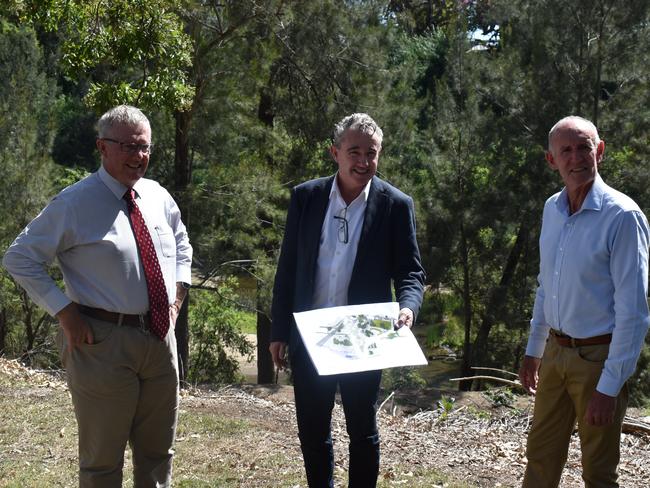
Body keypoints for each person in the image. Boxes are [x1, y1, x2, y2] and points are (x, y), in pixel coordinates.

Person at [3, 105, 192, 487]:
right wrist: (64, 311)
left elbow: (181, 243)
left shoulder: (156, 196)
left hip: (160, 339)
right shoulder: (74, 203)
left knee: (158, 455)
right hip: (102, 342)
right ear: (101, 148)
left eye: (144, 147)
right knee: (102, 461)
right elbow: (19, 257)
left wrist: (178, 295)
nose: (138, 157)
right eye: (127, 146)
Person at [270, 113, 425, 487]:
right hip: (311, 334)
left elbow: (411, 272)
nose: (363, 161)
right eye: (354, 151)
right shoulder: (306, 197)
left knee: (362, 428)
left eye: (371, 153)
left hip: (364, 339)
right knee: (312, 429)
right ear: (335, 153)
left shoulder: (395, 205)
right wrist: (278, 329)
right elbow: (288, 267)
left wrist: (407, 306)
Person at [519, 116, 649, 487]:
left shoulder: (622, 217)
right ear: (551, 160)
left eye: (584, 148)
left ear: (600, 151)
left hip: (598, 358)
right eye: (566, 150)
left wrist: (609, 387)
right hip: (556, 354)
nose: (576, 158)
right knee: (540, 457)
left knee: (598, 471)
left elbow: (634, 313)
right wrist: (534, 349)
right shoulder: (553, 210)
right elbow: (548, 286)